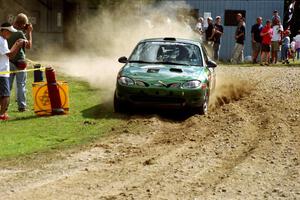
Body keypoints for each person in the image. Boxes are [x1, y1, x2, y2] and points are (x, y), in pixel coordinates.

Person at [8, 13, 33, 112]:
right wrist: (30, 32)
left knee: (7, 85)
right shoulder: (19, 33)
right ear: (23, 24)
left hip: (9, 62)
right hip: (20, 63)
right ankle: (22, 106)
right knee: (21, 84)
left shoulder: (8, 31)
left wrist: (24, 31)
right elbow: (28, 46)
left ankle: (4, 106)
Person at [0, 23, 25, 120]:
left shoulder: (3, 40)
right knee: (6, 95)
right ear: (5, 31)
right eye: (10, 32)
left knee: (2, 95)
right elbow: (10, 55)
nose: (11, 34)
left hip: (3, 71)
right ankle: (2, 115)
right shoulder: (1, 41)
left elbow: (8, 54)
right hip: (2, 71)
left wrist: (15, 44)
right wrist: (18, 46)